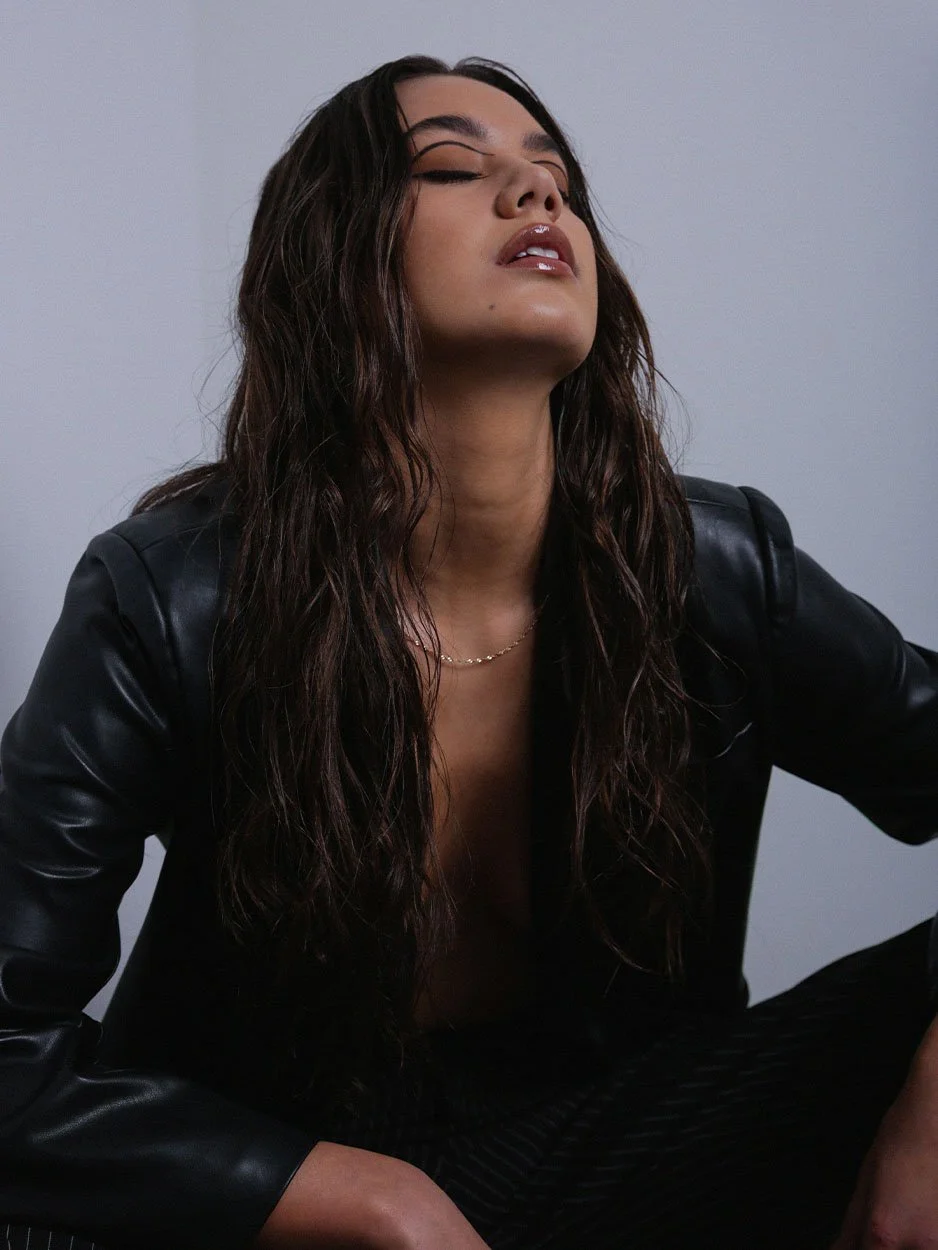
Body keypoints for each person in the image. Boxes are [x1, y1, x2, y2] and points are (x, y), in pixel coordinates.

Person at [1, 53, 936, 1250]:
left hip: (591, 1163)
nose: (537, 194)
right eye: (451, 166)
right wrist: (369, 1198)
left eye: (558, 182)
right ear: (337, 254)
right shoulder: (172, 595)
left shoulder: (714, 570)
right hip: (262, 1193)